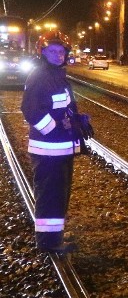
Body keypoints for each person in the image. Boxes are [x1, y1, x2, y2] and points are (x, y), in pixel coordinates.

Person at [21, 31, 94, 253]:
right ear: (42, 52)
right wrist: (55, 129)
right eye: (52, 51)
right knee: (50, 195)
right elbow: (30, 110)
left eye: (61, 51)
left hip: (60, 149)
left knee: (59, 194)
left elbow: (63, 107)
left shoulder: (56, 75)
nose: (58, 55)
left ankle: (54, 237)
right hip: (48, 150)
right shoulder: (40, 76)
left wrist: (77, 119)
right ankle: (48, 244)